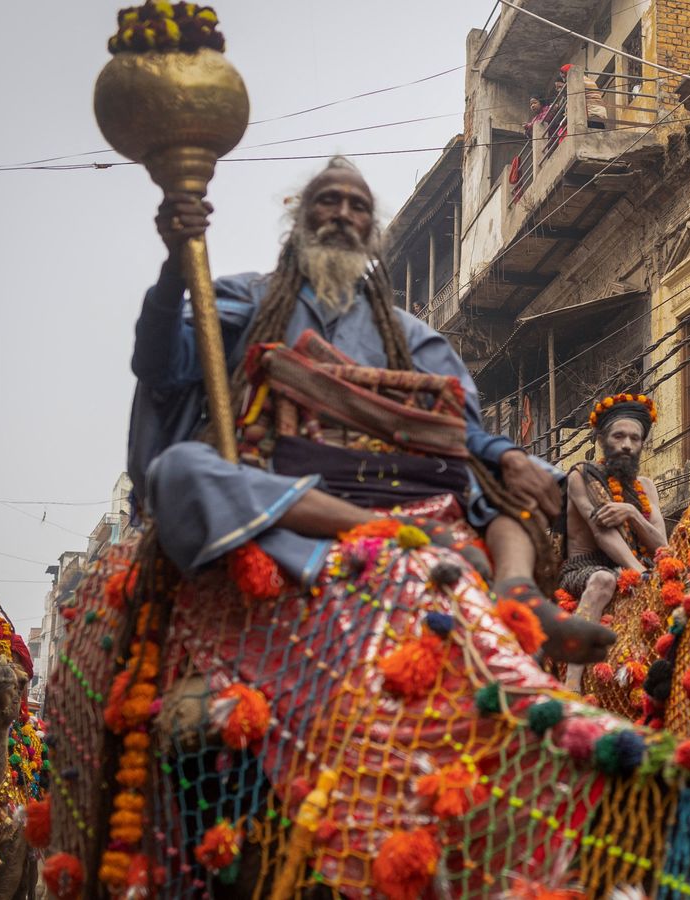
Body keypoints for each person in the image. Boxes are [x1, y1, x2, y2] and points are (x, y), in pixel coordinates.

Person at [131, 157, 614, 663]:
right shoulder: (246, 297)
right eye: (328, 201)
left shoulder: (407, 334)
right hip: (279, 479)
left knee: (493, 475)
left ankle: (518, 593)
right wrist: (174, 270)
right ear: (298, 218)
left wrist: (512, 459)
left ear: (370, 230)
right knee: (180, 469)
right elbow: (160, 368)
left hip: (399, 483)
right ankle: (375, 531)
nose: (342, 213)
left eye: (356, 206)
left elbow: (459, 429)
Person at [560, 393, 669, 685]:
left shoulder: (646, 487)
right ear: (602, 439)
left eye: (635, 438)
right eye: (619, 436)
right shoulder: (582, 475)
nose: (627, 445)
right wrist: (643, 575)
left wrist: (632, 513)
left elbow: (662, 546)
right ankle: (572, 682)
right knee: (604, 580)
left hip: (639, 565)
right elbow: (603, 531)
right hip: (587, 568)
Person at [558, 63, 607, 128]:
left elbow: (573, 101)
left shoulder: (577, 81)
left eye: (564, 77)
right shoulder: (586, 79)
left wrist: (566, 116)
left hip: (591, 114)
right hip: (599, 113)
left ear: (569, 73)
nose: (564, 80)